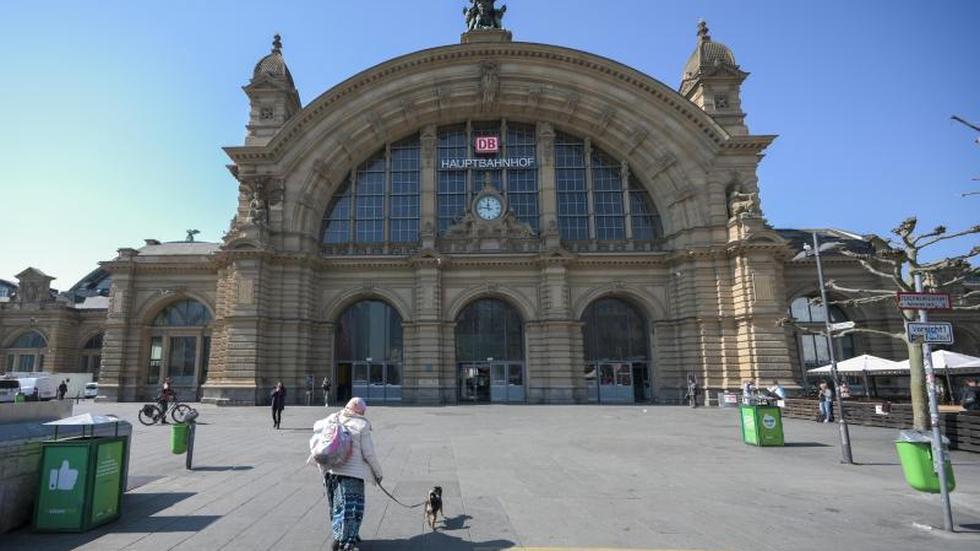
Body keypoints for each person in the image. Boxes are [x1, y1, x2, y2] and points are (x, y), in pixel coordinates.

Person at [320, 397, 383, 551]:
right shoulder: (362, 424)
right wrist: (378, 473)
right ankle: (346, 540)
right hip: (352, 475)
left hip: (332, 472)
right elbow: (369, 453)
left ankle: (341, 535)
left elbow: (318, 432)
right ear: (359, 409)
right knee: (353, 508)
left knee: (337, 506)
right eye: (364, 410)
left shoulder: (332, 418)